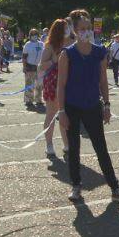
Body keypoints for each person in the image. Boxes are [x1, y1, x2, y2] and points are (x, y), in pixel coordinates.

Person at [57, 9, 119, 204]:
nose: (86, 31)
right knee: (74, 149)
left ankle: (115, 187)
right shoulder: (67, 54)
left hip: (92, 106)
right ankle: (76, 185)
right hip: (71, 107)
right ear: (74, 30)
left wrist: (106, 105)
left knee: (101, 148)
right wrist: (61, 111)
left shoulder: (99, 52)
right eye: (82, 28)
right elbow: (61, 84)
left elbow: (103, 81)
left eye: (89, 28)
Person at [40, 19, 70, 156]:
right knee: (51, 114)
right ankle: (49, 144)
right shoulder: (50, 46)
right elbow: (42, 65)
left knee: (66, 114)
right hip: (53, 82)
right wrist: (54, 59)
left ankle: (67, 144)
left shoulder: (71, 44)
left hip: (69, 82)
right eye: (65, 28)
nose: (68, 30)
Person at [22, 28, 44, 108]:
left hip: (39, 67)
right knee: (29, 84)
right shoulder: (27, 44)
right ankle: (28, 100)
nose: (34, 36)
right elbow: (24, 57)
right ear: (30, 36)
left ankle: (38, 99)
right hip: (29, 66)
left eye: (35, 34)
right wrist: (24, 67)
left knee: (39, 84)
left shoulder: (41, 44)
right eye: (32, 34)